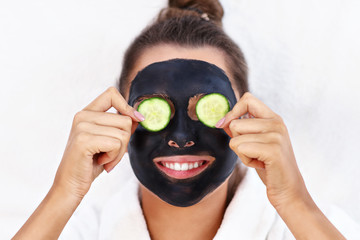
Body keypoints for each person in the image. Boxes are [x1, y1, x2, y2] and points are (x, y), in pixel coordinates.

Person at [13, 0, 358, 239]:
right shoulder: (77, 231)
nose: (181, 137)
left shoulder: (312, 228)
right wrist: (64, 193)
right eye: (153, 109)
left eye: (208, 109)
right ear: (119, 118)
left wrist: (296, 203)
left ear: (247, 115)